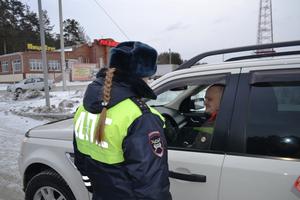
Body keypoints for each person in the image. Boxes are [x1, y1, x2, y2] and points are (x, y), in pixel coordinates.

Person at [73, 41, 172, 200]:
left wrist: (93, 187)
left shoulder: (82, 110)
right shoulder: (140, 117)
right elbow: (151, 184)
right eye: (149, 77)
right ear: (142, 77)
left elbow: (81, 161)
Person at [192, 84, 225, 149]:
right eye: (205, 99)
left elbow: (198, 151)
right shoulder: (221, 118)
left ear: (222, 101)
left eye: (209, 99)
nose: (205, 103)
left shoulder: (214, 126)